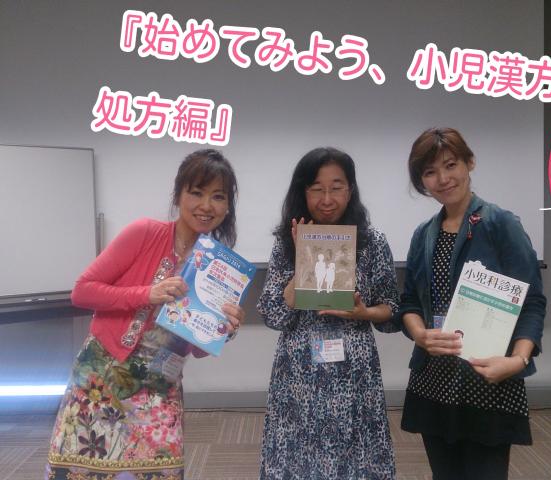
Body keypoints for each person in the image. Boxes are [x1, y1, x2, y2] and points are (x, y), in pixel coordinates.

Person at [45, 149, 245, 480]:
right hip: (104, 375)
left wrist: (225, 329)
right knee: (85, 469)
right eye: (196, 192)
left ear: (227, 207)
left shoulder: (219, 266)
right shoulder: (144, 233)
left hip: (161, 385)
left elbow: (198, 348)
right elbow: (82, 291)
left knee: (159, 472)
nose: (206, 205)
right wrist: (147, 294)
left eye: (218, 196)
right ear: (178, 195)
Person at [395, 128, 545, 480]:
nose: (443, 179)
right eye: (430, 172)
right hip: (434, 380)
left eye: (451, 165)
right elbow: (410, 302)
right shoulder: (424, 234)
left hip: (487, 379)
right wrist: (420, 334)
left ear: (469, 163)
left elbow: (532, 301)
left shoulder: (500, 224)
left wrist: (517, 360)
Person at [258, 147, 400, 479]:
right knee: (298, 461)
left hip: (355, 375)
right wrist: (302, 260)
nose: (326, 199)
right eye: (316, 189)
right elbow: (273, 315)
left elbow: (392, 310)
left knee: (357, 461)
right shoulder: (286, 243)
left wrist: (364, 313)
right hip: (299, 376)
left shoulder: (372, 242)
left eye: (336, 187)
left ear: (350, 190)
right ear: (302, 191)